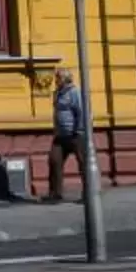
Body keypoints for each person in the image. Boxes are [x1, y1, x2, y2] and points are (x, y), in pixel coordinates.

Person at [46, 71, 89, 202]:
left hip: (75, 134)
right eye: (56, 77)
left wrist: (79, 130)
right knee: (54, 161)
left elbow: (82, 112)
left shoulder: (75, 92)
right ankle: (55, 194)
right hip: (60, 135)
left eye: (58, 77)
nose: (56, 80)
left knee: (83, 164)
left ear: (66, 79)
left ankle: (89, 194)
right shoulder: (58, 93)